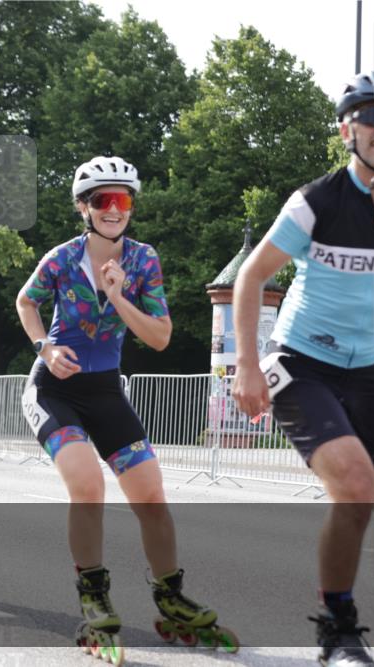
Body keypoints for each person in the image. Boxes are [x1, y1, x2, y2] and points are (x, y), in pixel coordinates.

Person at [232, 71, 374, 666]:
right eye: (371, 116)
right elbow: (251, 276)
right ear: (348, 130)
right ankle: (337, 630)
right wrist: (247, 365)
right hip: (302, 363)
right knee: (354, 485)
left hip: (367, 370)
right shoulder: (316, 201)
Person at [16, 156, 233, 661]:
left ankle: (170, 596)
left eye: (123, 200)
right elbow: (26, 302)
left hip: (106, 391)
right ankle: (94, 596)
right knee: (87, 484)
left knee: (151, 496)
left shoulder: (143, 260)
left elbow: (159, 337)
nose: (113, 209)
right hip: (53, 389)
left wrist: (118, 296)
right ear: (84, 208)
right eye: (102, 200)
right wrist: (44, 348)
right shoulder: (61, 259)